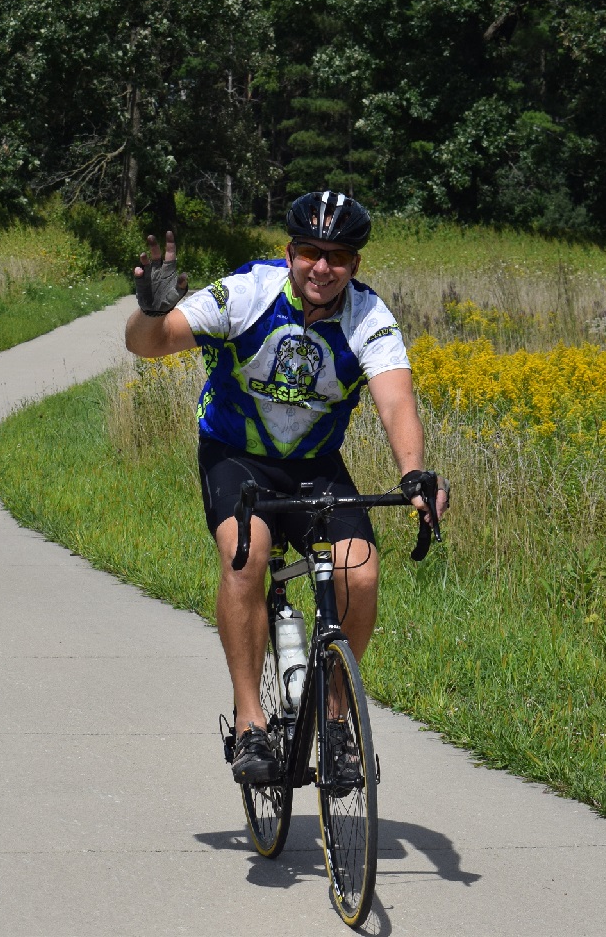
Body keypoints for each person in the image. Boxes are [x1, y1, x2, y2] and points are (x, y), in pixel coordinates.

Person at [124, 190, 449, 785]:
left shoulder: (368, 317)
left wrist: (414, 472)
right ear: (289, 252)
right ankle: (250, 725)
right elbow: (151, 344)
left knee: (362, 572)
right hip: (235, 456)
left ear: (355, 264)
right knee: (246, 558)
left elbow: (396, 399)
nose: (322, 267)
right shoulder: (249, 293)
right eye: (309, 252)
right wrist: (148, 311)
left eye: (338, 256)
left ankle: (336, 720)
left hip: (315, 464)